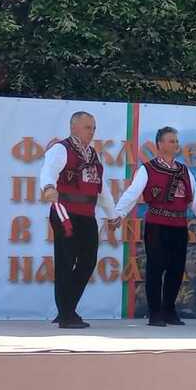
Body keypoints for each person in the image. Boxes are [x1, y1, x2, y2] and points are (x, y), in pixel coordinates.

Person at [111, 127, 196, 326]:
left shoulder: (184, 170)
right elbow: (132, 193)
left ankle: (169, 310)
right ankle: (155, 313)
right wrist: (119, 213)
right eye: (172, 141)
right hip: (156, 225)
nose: (176, 144)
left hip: (179, 225)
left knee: (176, 269)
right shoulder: (147, 169)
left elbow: (195, 196)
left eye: (176, 141)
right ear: (160, 144)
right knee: (156, 268)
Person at [39, 111, 117, 328]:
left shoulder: (93, 155)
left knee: (88, 261)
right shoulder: (61, 149)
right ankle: (66, 315)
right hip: (65, 211)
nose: (91, 131)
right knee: (65, 262)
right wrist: (47, 187)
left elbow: (102, 189)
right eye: (87, 127)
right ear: (73, 127)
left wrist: (112, 216)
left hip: (87, 214)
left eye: (93, 127)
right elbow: (48, 171)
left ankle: (66, 308)